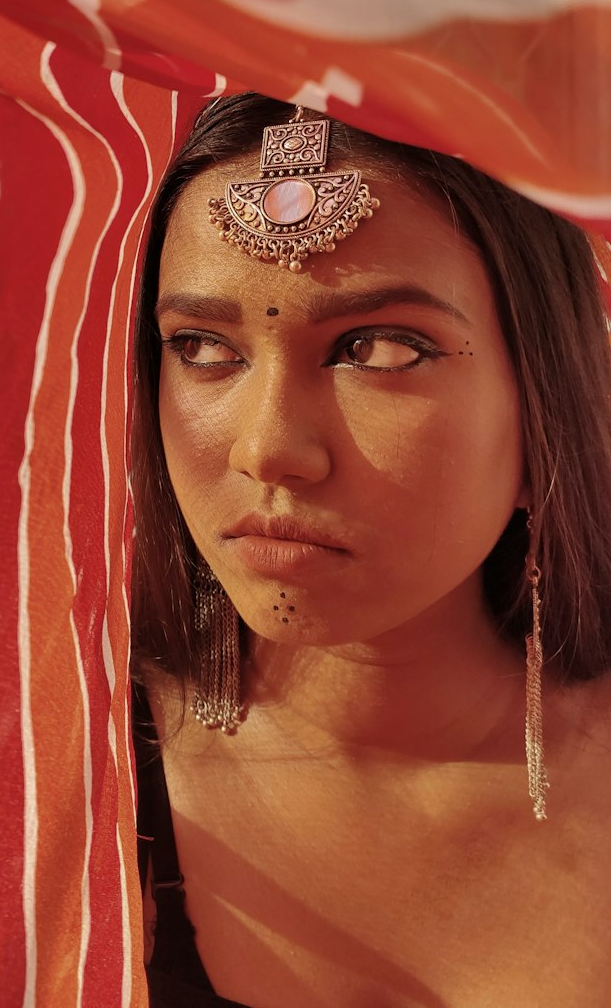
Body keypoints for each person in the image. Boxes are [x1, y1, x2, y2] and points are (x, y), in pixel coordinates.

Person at [129, 92, 611, 1008]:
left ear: (547, 403)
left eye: (379, 347)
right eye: (201, 345)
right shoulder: (47, 763)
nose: (266, 447)